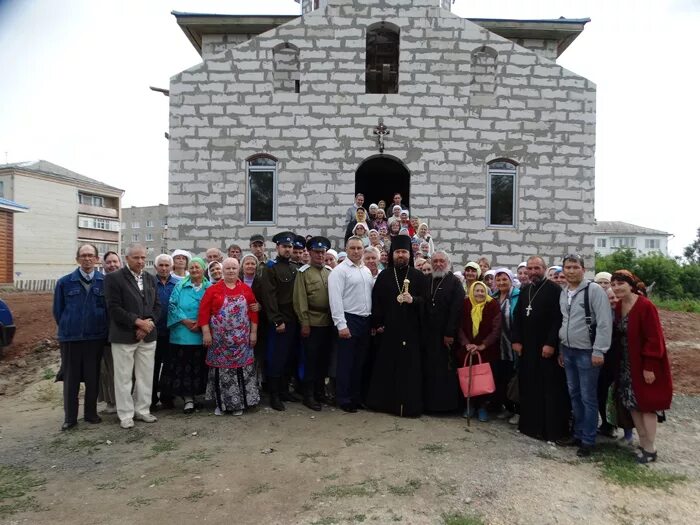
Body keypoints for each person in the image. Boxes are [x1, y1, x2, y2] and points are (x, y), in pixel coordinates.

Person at [611, 270, 673, 463]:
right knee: (633, 405)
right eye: (613, 284)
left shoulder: (645, 306)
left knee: (647, 406)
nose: (616, 287)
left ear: (631, 284)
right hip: (626, 365)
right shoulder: (619, 305)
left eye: (620, 283)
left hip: (644, 365)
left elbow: (654, 339)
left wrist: (650, 366)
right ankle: (643, 442)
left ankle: (650, 449)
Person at [557, 254, 613, 457]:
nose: (571, 271)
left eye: (575, 267)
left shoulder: (594, 291)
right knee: (574, 394)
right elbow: (564, 322)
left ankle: (588, 440)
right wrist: (562, 348)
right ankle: (578, 433)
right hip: (569, 350)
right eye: (567, 267)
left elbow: (605, 322)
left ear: (583, 269)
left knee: (588, 397)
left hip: (588, 352)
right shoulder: (564, 292)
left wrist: (599, 350)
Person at [366, 234, 428, 417]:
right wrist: (377, 324)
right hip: (389, 331)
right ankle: (384, 404)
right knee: (387, 367)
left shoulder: (418, 276)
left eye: (404, 252)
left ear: (409, 254)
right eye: (398, 252)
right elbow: (376, 302)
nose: (401, 255)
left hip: (411, 331)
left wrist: (413, 300)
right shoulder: (385, 275)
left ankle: (410, 407)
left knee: (410, 370)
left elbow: (425, 301)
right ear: (393, 254)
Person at [511, 256, 570, 442]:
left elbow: (557, 319)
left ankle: (548, 430)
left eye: (537, 268)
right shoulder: (525, 289)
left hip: (545, 347)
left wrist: (551, 343)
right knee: (529, 386)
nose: (533, 271)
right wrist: (516, 340)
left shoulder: (554, 290)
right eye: (530, 268)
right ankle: (529, 426)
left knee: (548, 389)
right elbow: (517, 316)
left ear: (544, 269)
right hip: (527, 347)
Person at [104, 244, 161, 429]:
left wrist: (148, 324)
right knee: (123, 377)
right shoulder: (114, 278)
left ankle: (142, 410)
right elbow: (114, 308)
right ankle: (126, 414)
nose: (141, 261)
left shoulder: (150, 278)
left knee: (145, 376)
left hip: (147, 336)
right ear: (127, 258)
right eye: (136, 258)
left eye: (144, 257)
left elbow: (157, 306)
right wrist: (137, 322)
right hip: (124, 336)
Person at [53, 244, 108, 431]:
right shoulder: (64, 282)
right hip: (71, 338)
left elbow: (108, 309)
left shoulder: (104, 282)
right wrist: (70, 327)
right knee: (71, 378)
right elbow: (58, 311)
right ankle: (70, 417)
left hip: (95, 337)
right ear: (77, 259)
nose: (87, 259)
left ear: (97, 259)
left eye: (91, 255)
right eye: (83, 255)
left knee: (93, 377)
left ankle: (91, 413)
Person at [200, 258, 260, 416]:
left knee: (243, 370)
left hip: (242, 341)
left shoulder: (246, 289)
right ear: (223, 270)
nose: (231, 271)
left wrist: (253, 332)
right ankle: (222, 405)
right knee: (222, 373)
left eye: (234, 268)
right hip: (220, 342)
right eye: (228, 268)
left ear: (238, 269)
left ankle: (242, 403)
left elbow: (254, 312)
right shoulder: (213, 290)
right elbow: (203, 313)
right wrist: (206, 332)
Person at [328, 236, 374, 413]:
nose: (356, 251)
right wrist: (341, 324)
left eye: (359, 248)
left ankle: (356, 396)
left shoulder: (366, 271)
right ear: (346, 249)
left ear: (363, 250)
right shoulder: (339, 271)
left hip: (365, 319)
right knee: (346, 362)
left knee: (359, 362)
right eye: (353, 248)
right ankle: (344, 398)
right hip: (349, 319)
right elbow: (335, 299)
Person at [260, 232, 301, 411]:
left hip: (294, 321)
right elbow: (269, 297)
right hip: (280, 321)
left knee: (289, 358)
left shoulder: (294, 268)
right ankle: (274, 395)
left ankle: (284, 390)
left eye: (290, 247)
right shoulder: (271, 268)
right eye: (284, 246)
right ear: (277, 248)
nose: (287, 249)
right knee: (276, 358)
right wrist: (277, 321)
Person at [293, 237, 334, 411]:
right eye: (316, 252)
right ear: (309, 253)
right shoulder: (303, 273)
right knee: (311, 360)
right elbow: (300, 299)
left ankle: (320, 392)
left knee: (323, 360)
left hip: (327, 323)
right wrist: (304, 322)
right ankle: (308, 395)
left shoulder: (329, 272)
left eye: (322, 252)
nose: (320, 255)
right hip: (312, 321)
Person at [165, 257, 210, 414]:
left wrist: (201, 323)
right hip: (182, 334)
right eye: (192, 267)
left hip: (201, 332)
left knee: (198, 366)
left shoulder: (209, 287)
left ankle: (199, 395)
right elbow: (172, 305)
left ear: (203, 269)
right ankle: (188, 399)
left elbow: (214, 308)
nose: (194, 270)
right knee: (183, 367)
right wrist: (184, 320)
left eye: (198, 267)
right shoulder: (180, 286)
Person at [423, 251, 464, 413]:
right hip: (428, 334)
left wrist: (449, 333)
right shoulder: (427, 280)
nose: (438, 264)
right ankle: (429, 404)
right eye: (435, 261)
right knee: (430, 369)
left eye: (441, 261)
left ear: (447, 263)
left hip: (446, 335)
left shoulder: (454, 282)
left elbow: (456, 310)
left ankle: (446, 406)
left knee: (445, 370)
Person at [458, 281, 502, 421]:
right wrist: (467, 344)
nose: (479, 293)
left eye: (482, 291)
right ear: (471, 292)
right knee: (468, 377)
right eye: (476, 291)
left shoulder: (493, 305)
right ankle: (469, 406)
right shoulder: (465, 304)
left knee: (484, 379)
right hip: (467, 349)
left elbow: (497, 328)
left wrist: (484, 345)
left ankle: (483, 407)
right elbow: (458, 326)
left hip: (487, 350)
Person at [493, 268, 520, 424]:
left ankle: (518, 411)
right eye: (499, 280)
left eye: (505, 279)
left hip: (513, 345)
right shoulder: (494, 297)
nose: (501, 282)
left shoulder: (518, 296)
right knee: (501, 378)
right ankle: (507, 408)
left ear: (511, 280)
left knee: (514, 379)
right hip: (498, 346)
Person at [152, 254, 179, 411]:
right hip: (154, 332)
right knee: (152, 368)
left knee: (170, 367)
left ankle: (167, 397)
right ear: (156, 267)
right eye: (161, 265)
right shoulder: (149, 283)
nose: (164, 268)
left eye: (166, 265)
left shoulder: (178, 284)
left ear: (171, 267)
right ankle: (151, 399)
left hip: (172, 332)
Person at [98, 251, 121, 414]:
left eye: (115, 261)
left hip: (121, 333)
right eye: (109, 262)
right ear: (103, 264)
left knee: (118, 371)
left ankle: (119, 400)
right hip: (101, 333)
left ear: (120, 263)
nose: (112, 265)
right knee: (104, 371)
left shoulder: (125, 282)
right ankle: (110, 401)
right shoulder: (98, 282)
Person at [240, 253, 266, 388]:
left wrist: (260, 306)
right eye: (247, 263)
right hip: (238, 324)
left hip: (257, 324)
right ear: (242, 266)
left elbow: (268, 301)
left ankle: (255, 384)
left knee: (256, 355)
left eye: (252, 263)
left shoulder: (262, 281)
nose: (250, 266)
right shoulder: (237, 280)